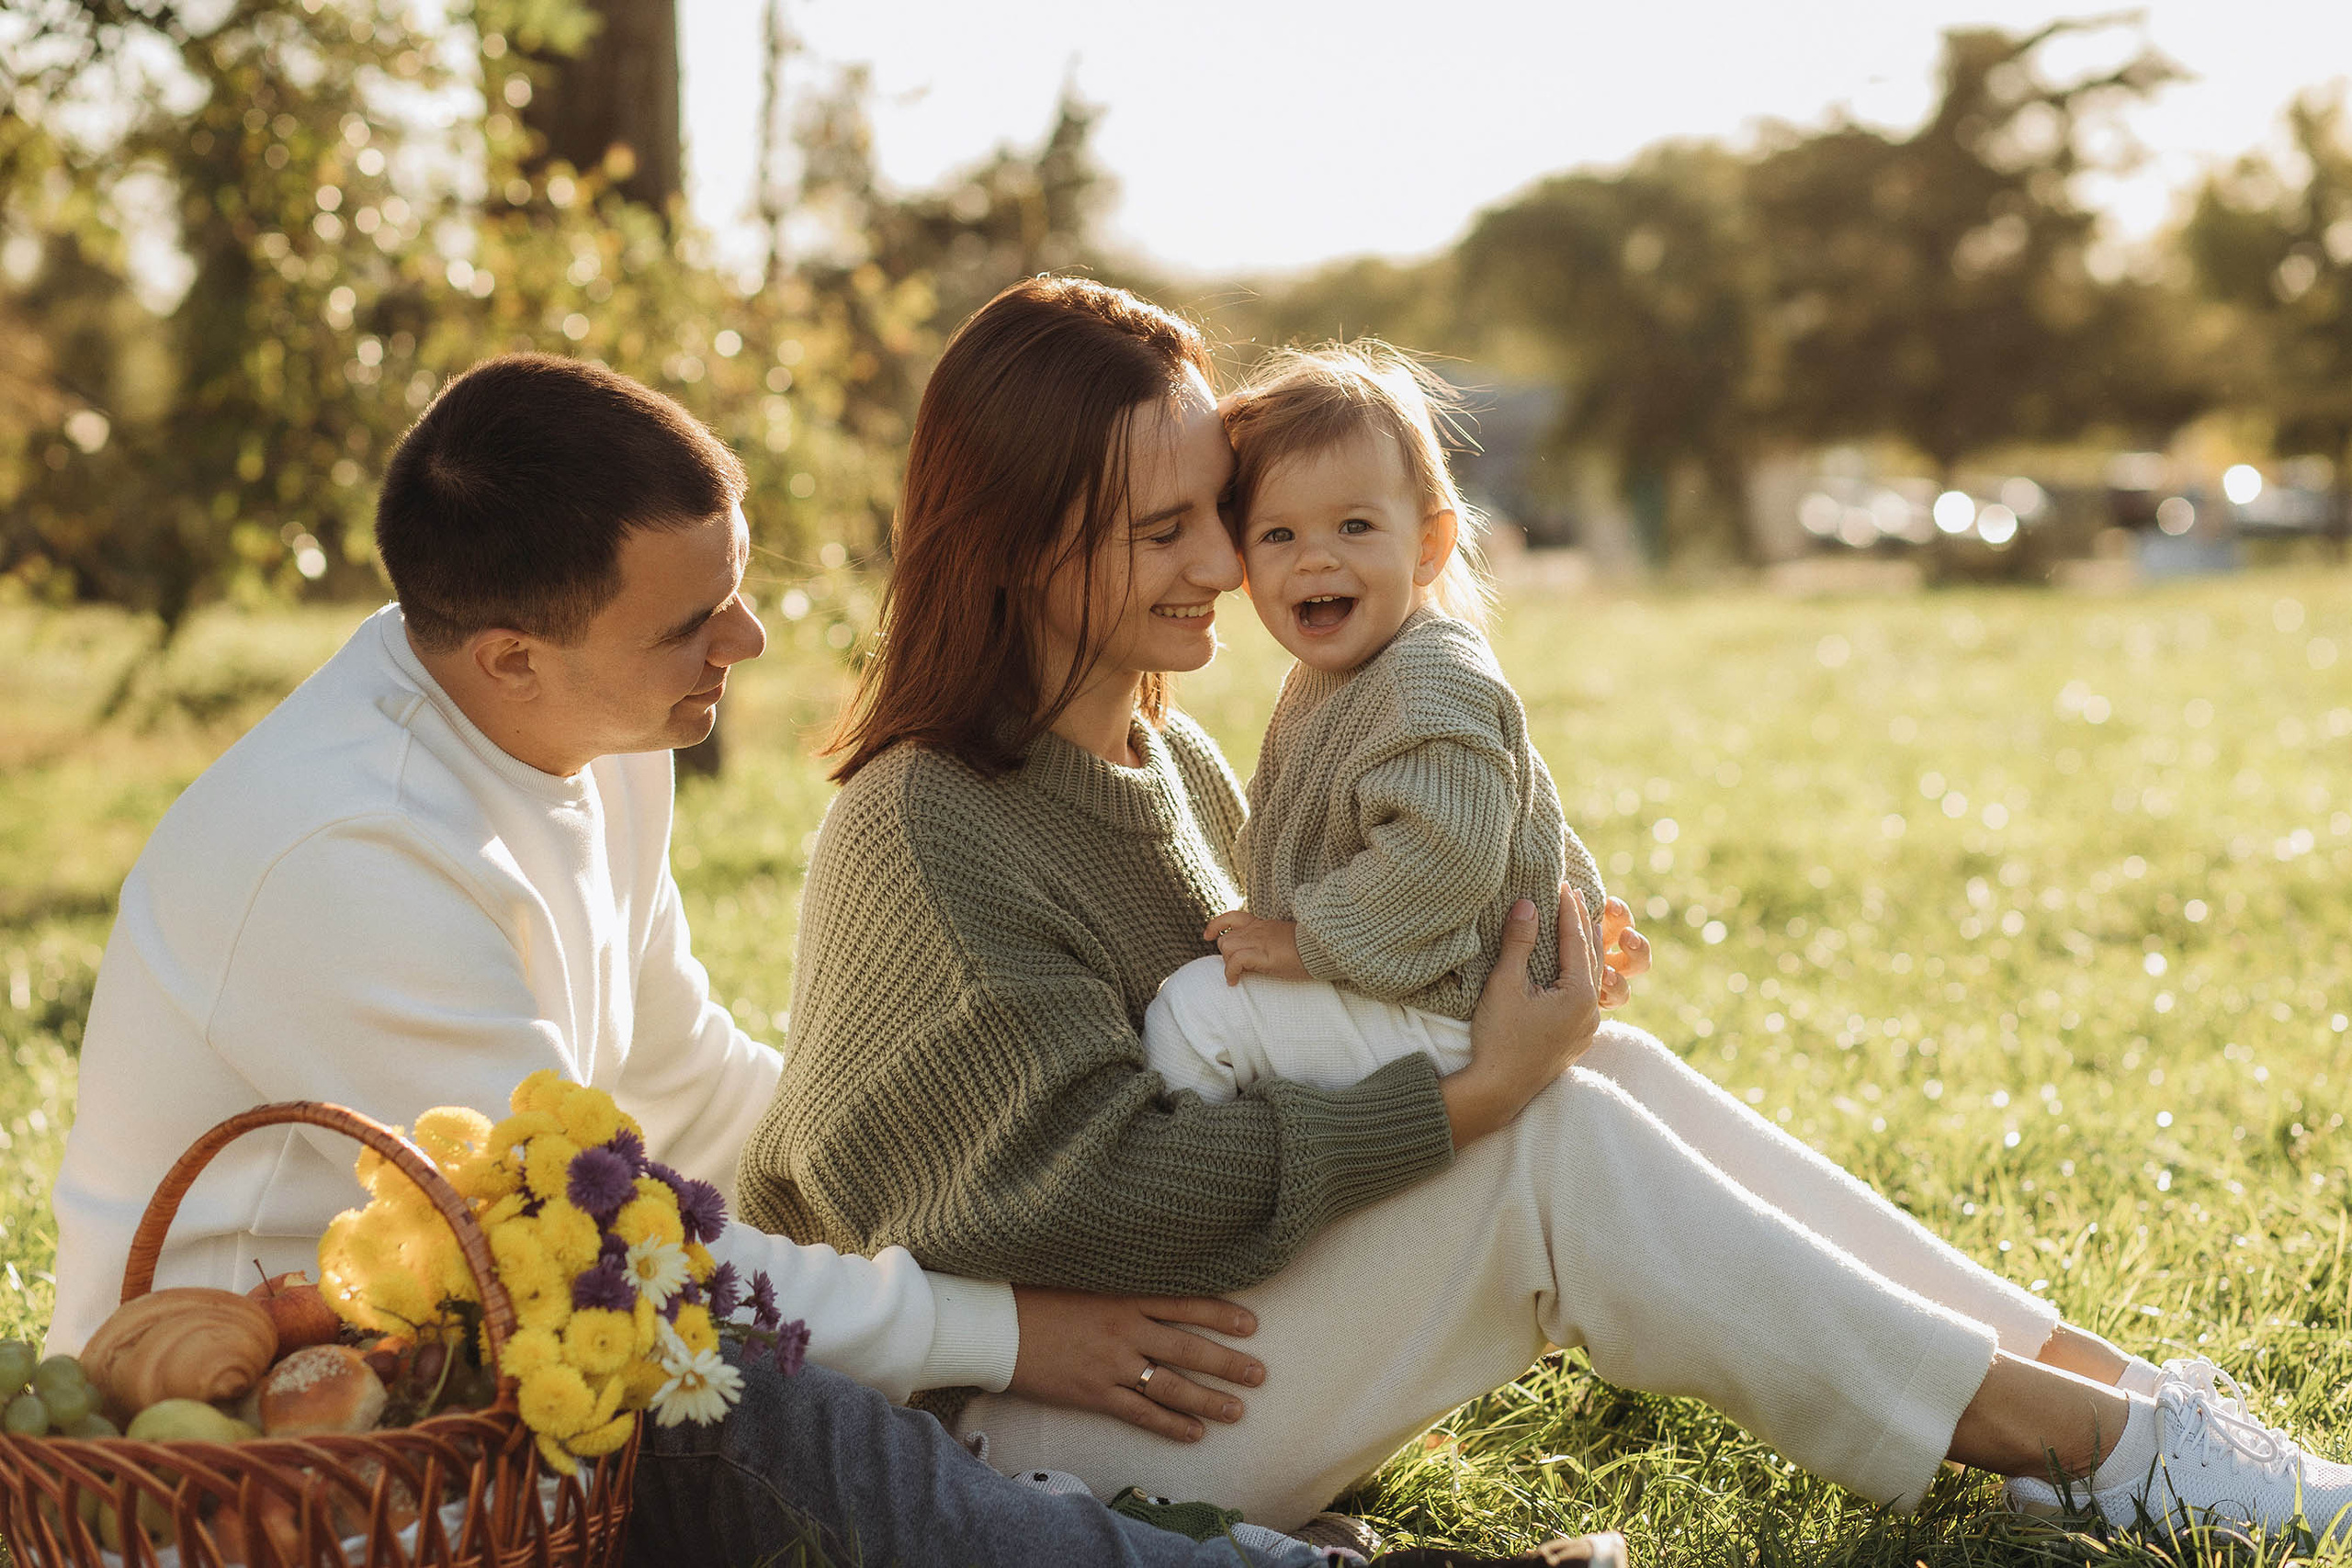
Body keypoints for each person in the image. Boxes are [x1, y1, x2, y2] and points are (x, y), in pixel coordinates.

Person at [735, 276, 2352, 1544]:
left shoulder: (1172, 763)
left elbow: (1286, 1026)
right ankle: (2088, 1449)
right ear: (1020, 549)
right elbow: (1057, 1203)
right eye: (1165, 529)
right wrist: (1474, 1088)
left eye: (1212, 510)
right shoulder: (924, 820)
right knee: (1546, 1140)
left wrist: (1521, 951)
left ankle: (2114, 1401)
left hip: (1185, 1348)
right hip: (1023, 1458)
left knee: (1604, 1085)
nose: (1226, 564)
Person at [44, 352, 1477, 1568]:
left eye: (734, 582)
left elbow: (683, 1081)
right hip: (315, 1454)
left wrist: (897, 1209)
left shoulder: (589, 732)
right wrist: (1001, 1327)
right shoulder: (345, 857)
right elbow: (608, 1247)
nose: (753, 632)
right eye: (692, 620)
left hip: (523, 1336)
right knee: (763, 1399)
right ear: (510, 658)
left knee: (797, 1369)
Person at [1140, 342, 1610, 1106]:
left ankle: (1187, 1204)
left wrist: (1305, 940)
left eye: (1354, 526)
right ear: (1242, 559)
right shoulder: (1342, 675)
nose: (1316, 560)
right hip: (1413, 979)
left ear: (1428, 544)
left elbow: (1449, 853)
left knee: (1194, 1017)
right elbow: (1518, 808)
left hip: (1447, 1003)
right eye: (1278, 535)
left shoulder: (1430, 676)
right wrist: (1585, 902)